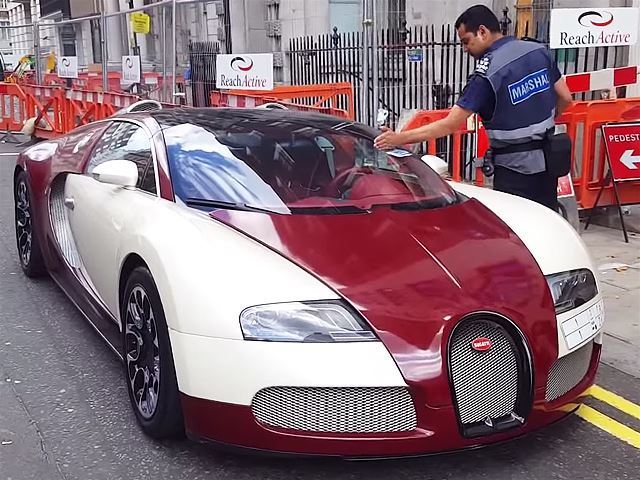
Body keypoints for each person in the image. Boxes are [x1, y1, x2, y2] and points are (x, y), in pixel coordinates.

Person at [374, 4, 574, 211]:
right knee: (546, 221)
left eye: (466, 41)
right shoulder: (537, 51)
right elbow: (566, 97)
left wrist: (399, 139)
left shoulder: (488, 73)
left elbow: (450, 124)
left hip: (515, 170)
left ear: (482, 32)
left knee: (516, 225)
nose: (465, 49)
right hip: (549, 162)